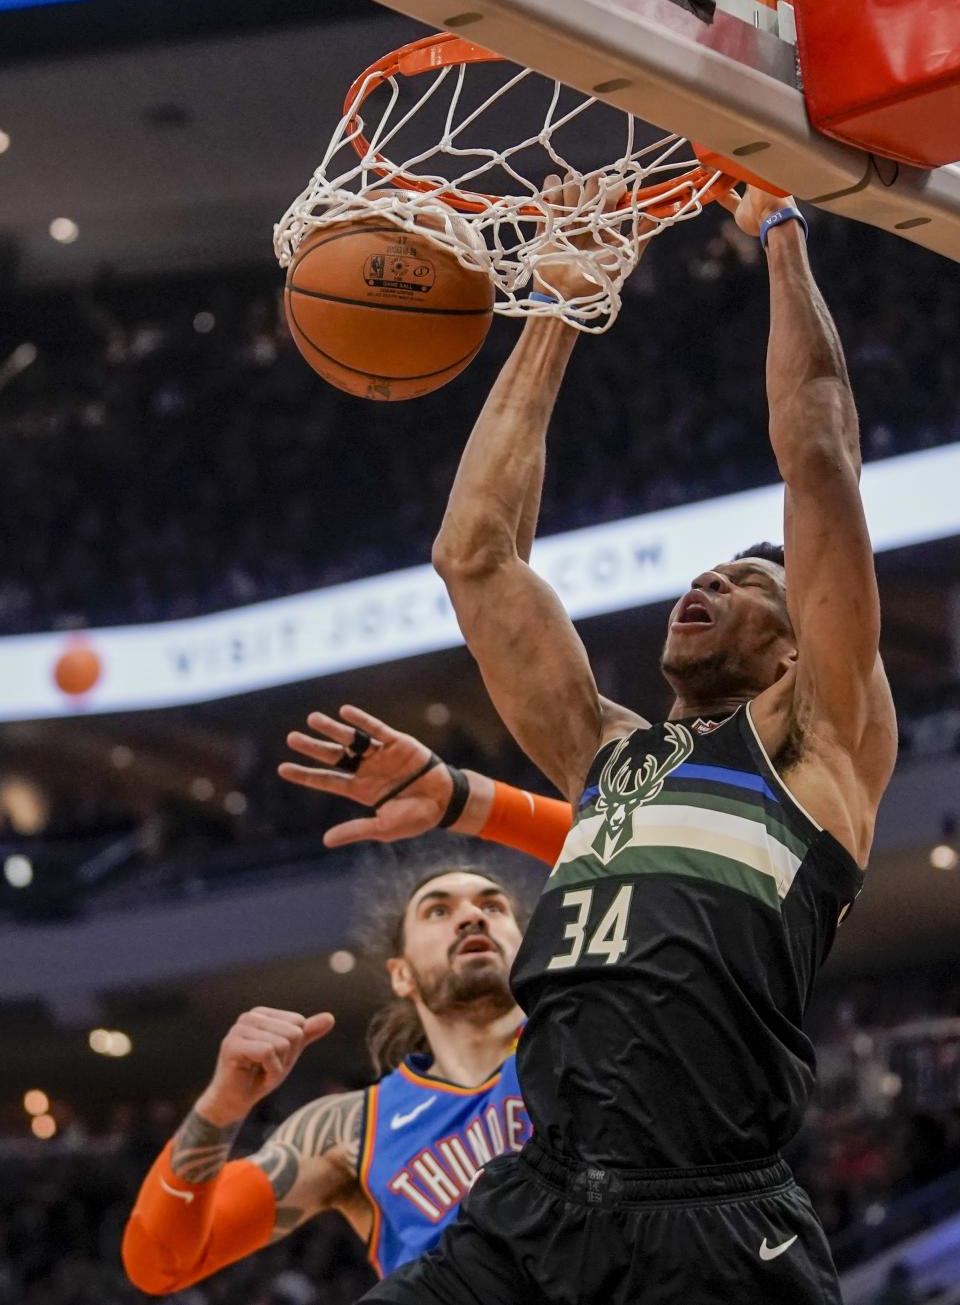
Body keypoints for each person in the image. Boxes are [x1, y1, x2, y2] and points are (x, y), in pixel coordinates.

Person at [284, 177, 899, 1304]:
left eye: (749, 581)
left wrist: (781, 233)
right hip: (538, 1204)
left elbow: (820, 455)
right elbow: (474, 555)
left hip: (714, 1216)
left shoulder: (819, 744)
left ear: (795, 648)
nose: (707, 578)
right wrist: (560, 307)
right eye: (706, 569)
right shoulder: (603, 751)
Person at [121, 856, 533, 1295]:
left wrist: (487, 809)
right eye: (438, 910)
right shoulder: (348, 1129)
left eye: (493, 907)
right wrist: (220, 1107)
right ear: (402, 974)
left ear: (528, 946)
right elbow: (157, 1264)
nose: (471, 916)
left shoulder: (588, 1045)